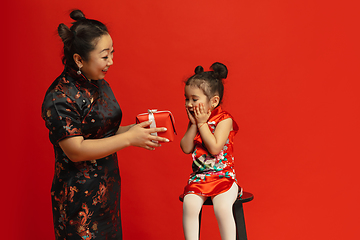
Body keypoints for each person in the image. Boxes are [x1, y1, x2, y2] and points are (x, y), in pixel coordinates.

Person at [41, 10, 168, 240]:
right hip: (78, 203)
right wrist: (128, 139)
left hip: (107, 196)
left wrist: (136, 131)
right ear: (79, 59)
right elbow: (76, 150)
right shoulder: (59, 97)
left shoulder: (100, 84)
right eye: (104, 55)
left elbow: (103, 133)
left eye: (112, 53)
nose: (111, 62)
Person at [180, 62, 243, 240]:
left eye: (194, 99)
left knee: (222, 207)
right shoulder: (196, 121)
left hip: (224, 177)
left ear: (214, 101)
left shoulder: (224, 120)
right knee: (190, 203)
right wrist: (194, 124)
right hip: (200, 177)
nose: (189, 104)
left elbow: (215, 148)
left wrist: (202, 124)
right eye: (187, 99)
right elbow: (185, 148)